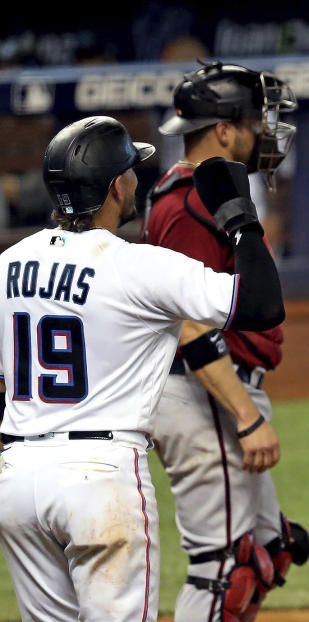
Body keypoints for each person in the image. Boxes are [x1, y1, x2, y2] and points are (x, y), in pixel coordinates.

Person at [0, 115, 285, 621]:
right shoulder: (140, 266)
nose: (138, 179)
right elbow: (260, 305)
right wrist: (241, 217)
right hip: (101, 480)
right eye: (132, 171)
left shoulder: (10, 263)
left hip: (18, 480)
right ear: (115, 188)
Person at [144, 61, 309, 622]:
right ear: (223, 130)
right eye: (254, 121)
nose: (263, 132)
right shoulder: (193, 203)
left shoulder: (197, 196)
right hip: (207, 390)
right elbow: (189, 322)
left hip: (211, 389)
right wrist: (245, 413)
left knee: (269, 551)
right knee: (225, 572)